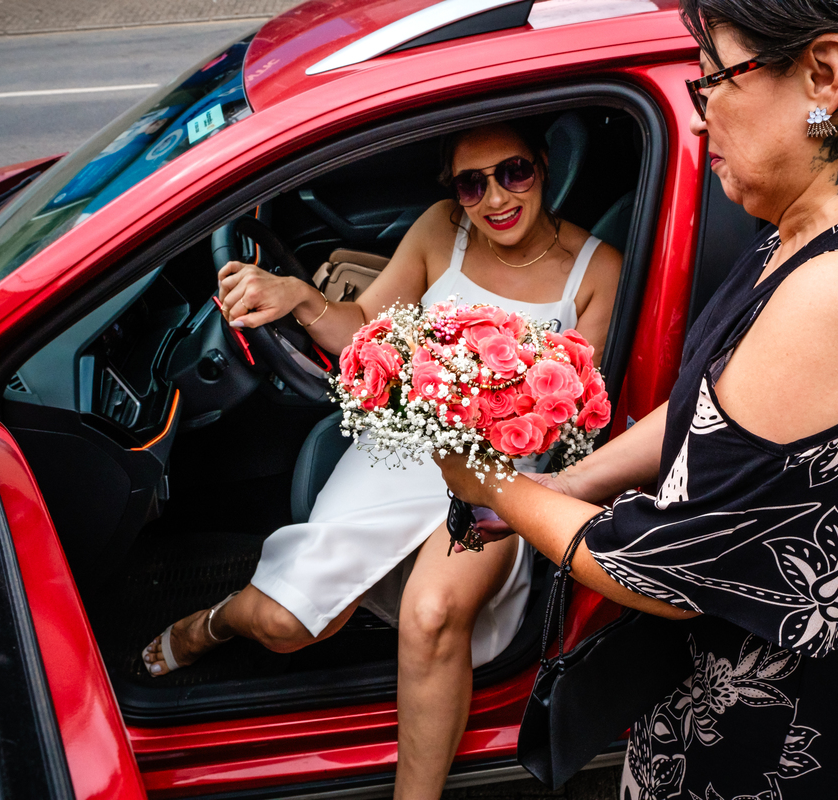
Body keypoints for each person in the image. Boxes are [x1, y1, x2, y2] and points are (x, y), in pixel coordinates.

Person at [435, 1, 838, 798]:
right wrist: (567, 483)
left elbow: (668, 572)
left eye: (713, 78)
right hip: (722, 708)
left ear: (824, 74)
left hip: (783, 754)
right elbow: (718, 409)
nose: (698, 114)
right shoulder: (829, 211)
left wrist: (490, 483)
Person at [141, 120, 622, 798]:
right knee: (286, 623)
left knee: (433, 614)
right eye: (472, 184)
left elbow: (577, 406)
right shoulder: (438, 230)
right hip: (403, 449)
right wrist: (301, 297)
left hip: (501, 474)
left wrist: (501, 408)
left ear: (543, 163)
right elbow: (364, 323)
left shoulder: (599, 269)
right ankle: (213, 623)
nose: (495, 198)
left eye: (514, 172)